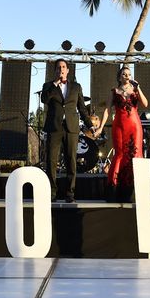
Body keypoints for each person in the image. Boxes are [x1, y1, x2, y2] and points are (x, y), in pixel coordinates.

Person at [41, 59, 94, 203]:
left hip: (71, 127)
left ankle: (70, 193)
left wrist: (90, 125)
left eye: (63, 67)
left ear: (68, 70)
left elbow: (82, 108)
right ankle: (52, 193)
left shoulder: (76, 87)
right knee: (51, 160)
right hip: (54, 127)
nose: (61, 69)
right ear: (55, 71)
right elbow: (44, 100)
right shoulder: (48, 86)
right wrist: (55, 84)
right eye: (58, 67)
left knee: (71, 160)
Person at [94, 66, 148, 202]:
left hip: (134, 125)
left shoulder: (135, 89)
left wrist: (138, 88)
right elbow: (107, 109)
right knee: (119, 154)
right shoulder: (114, 91)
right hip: (119, 125)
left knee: (134, 154)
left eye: (129, 74)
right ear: (119, 77)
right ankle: (115, 189)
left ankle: (135, 190)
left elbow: (145, 104)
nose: (127, 76)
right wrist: (100, 127)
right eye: (124, 74)